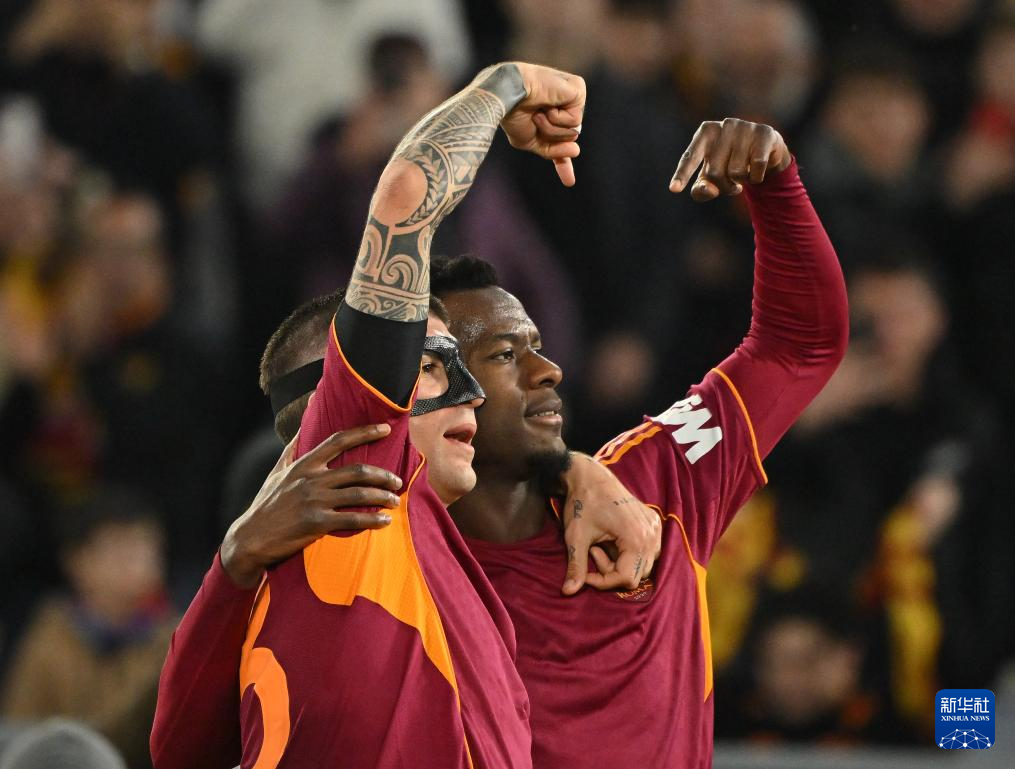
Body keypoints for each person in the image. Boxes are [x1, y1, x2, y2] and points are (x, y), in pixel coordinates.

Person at [154, 113, 847, 768]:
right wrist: (238, 559)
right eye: (503, 355)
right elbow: (189, 748)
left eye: (535, 345)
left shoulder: (656, 483)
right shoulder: (381, 565)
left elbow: (799, 347)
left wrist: (776, 186)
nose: (549, 371)